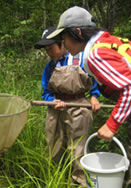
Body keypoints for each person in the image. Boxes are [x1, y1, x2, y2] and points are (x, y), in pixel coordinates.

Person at [47, 6, 131, 187]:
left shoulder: (95, 54)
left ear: (78, 32)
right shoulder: (111, 41)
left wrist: (111, 125)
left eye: (64, 37)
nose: (63, 43)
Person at [34, 26, 101, 186]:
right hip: (55, 107)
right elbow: (45, 90)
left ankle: (79, 182)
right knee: (54, 145)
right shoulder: (50, 67)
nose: (49, 53)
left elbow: (95, 80)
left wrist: (94, 96)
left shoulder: (81, 58)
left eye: (51, 48)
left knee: (77, 149)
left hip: (78, 106)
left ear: (62, 44)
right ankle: (57, 180)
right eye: (47, 50)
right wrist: (52, 100)